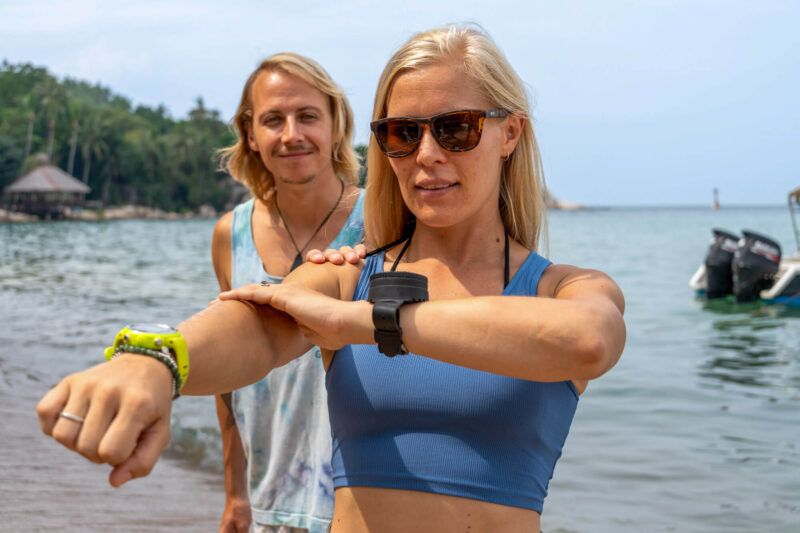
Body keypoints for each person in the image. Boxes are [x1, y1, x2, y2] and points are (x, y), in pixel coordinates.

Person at [37, 25, 626, 533]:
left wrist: (363, 323)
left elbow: (587, 340)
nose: (426, 154)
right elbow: (258, 328)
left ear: (511, 134)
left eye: (456, 129)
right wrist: (158, 361)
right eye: (402, 133)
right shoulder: (347, 277)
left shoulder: (565, 290)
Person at [213, 53, 365, 533]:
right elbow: (228, 377)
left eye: (308, 116)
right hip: (268, 503)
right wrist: (235, 495)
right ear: (250, 133)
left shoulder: (382, 221)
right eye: (273, 119)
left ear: (337, 125)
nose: (292, 134)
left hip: (361, 505)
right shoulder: (230, 234)